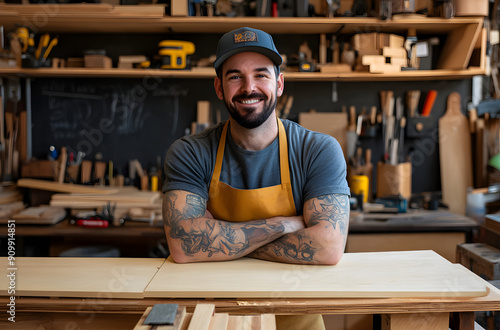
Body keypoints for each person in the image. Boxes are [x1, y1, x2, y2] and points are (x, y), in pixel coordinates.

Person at [163, 27, 350, 330]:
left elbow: (328, 247)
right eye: (235, 76)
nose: (249, 87)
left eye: (261, 75)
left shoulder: (318, 150)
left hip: (297, 319)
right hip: (213, 318)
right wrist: (283, 224)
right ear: (219, 88)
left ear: (279, 84)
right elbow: (184, 246)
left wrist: (217, 239)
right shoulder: (190, 152)